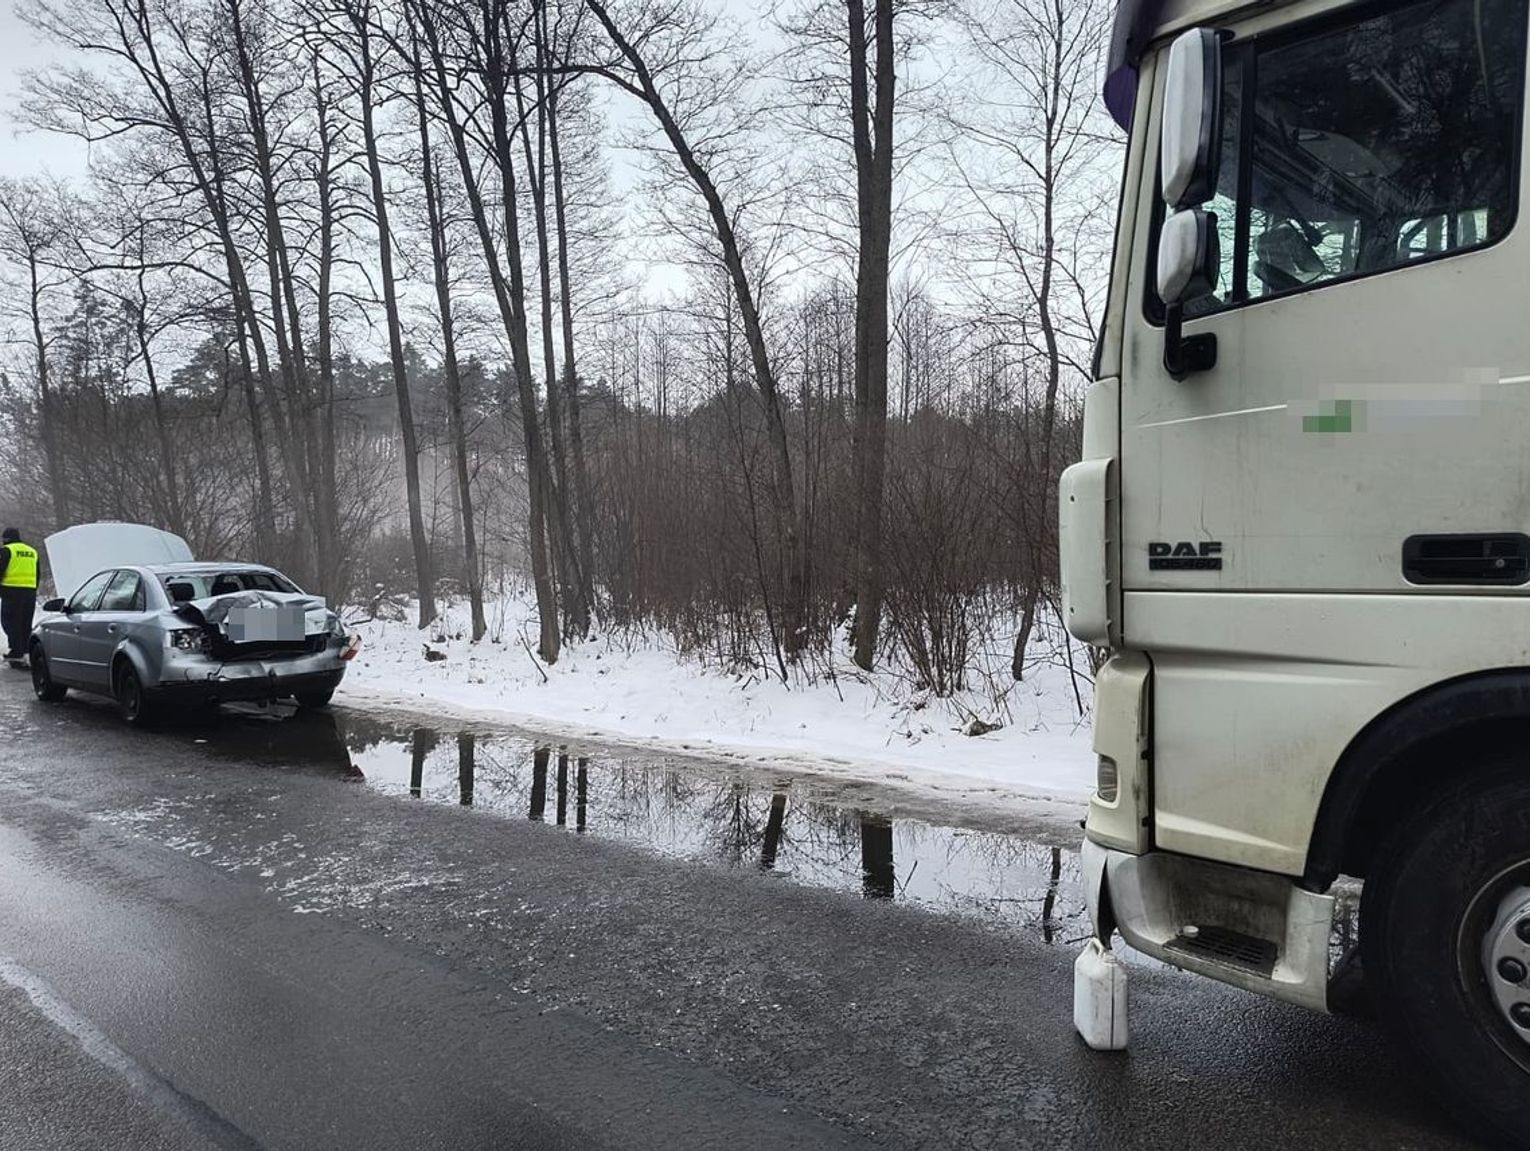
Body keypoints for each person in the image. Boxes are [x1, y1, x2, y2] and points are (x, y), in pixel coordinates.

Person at [0, 528, 39, 663]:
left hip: (11, 592)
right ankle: (26, 650)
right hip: (30, 591)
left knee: (10, 621)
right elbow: (37, 574)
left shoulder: (6, 551)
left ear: (6, 539)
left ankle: (16, 651)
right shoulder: (32, 551)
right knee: (25, 621)